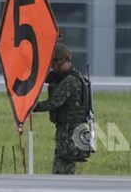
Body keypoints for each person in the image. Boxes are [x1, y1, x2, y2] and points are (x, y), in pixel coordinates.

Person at [32, 42, 89, 175]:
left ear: (62, 60)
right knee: (61, 165)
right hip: (68, 129)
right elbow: (46, 78)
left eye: (54, 64)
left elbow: (55, 102)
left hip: (70, 131)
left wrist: (32, 107)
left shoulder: (71, 81)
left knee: (63, 169)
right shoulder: (65, 77)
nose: (53, 67)